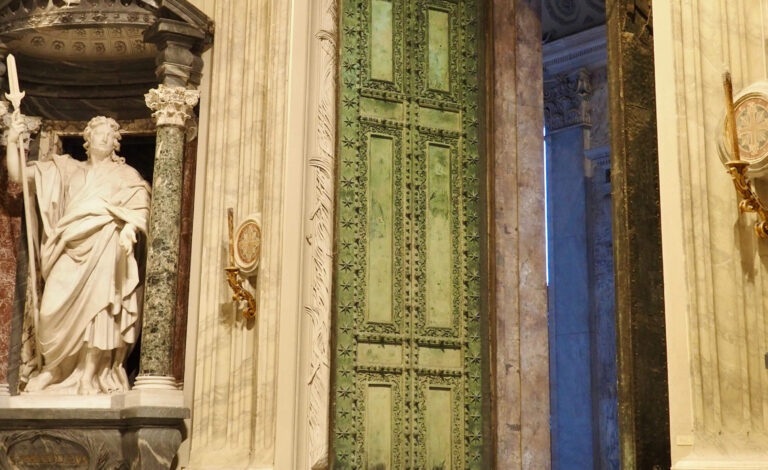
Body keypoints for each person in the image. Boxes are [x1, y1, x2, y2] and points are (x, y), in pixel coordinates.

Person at [5, 114, 150, 394]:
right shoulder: (66, 169)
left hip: (106, 245)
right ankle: (54, 369)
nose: (105, 139)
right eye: (99, 133)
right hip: (67, 249)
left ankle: (89, 374)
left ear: (115, 144)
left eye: (110, 136)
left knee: (101, 310)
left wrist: (129, 228)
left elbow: (140, 206)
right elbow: (18, 175)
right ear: (87, 138)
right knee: (49, 312)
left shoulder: (126, 175)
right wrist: (13, 139)